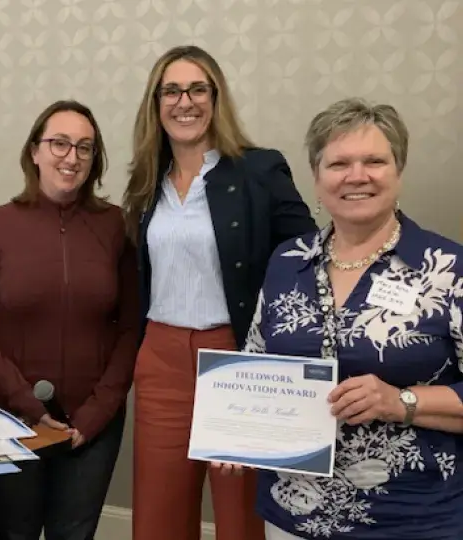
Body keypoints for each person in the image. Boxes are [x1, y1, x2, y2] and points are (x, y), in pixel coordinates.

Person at [218, 97, 463, 539]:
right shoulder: (287, 262)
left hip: (410, 518)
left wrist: (402, 402)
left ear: (398, 171)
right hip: (293, 514)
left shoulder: (446, 268)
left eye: (374, 161)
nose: (357, 176)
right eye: (339, 163)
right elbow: (256, 362)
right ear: (316, 178)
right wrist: (235, 433)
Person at [122, 44, 317, 540]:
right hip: (160, 360)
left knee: (240, 519)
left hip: (237, 359)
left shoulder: (259, 170)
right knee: (158, 520)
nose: (184, 101)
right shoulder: (146, 183)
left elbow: (309, 259)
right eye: (171, 90)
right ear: (155, 102)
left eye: (197, 89)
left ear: (216, 97)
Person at [0, 100, 139, 540]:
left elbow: (131, 328)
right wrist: (28, 406)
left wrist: (97, 413)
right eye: (59, 143)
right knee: (13, 533)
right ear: (34, 151)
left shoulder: (116, 227)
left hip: (91, 426)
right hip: (10, 420)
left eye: (85, 148)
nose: (71, 157)